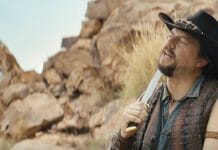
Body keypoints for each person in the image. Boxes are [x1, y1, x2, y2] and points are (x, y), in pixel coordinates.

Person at [110, 10, 218, 150]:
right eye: (171, 36)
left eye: (182, 41)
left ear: (201, 60)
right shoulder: (147, 97)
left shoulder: (214, 100)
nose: (170, 43)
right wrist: (123, 137)